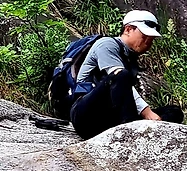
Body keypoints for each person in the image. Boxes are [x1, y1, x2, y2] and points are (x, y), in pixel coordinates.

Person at [69, 10, 177, 139]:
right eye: (144, 37)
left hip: (110, 116)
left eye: (151, 40)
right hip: (86, 116)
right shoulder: (106, 44)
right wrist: (147, 112)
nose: (148, 43)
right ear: (128, 30)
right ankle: (131, 131)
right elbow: (119, 79)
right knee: (121, 75)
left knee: (174, 112)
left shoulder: (129, 56)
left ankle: (136, 128)